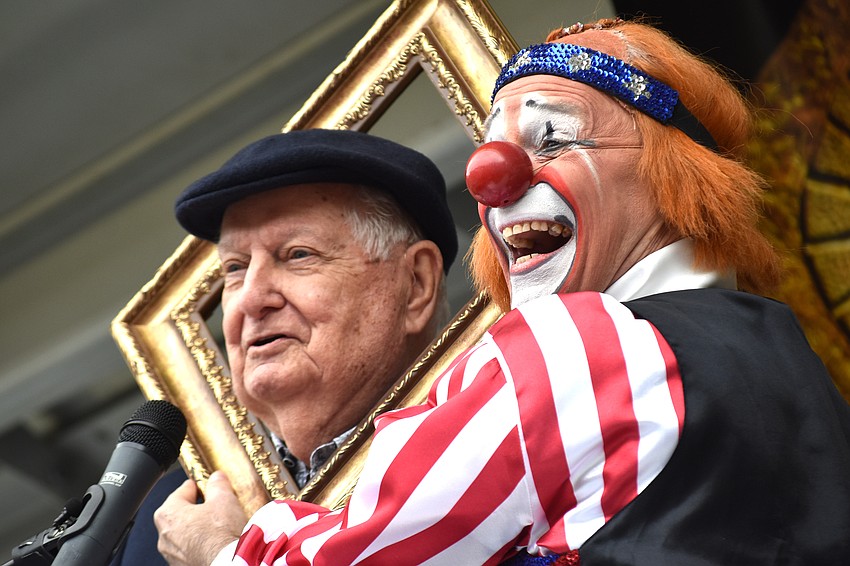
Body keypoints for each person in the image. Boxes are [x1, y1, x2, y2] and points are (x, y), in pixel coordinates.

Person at [187, 18, 850, 565]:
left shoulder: (578, 345)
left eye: (552, 138)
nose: (489, 179)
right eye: (490, 148)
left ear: (668, 173)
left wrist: (219, 549)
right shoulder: (793, 360)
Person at [110, 128, 459, 565]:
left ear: (415, 284)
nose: (250, 299)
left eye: (298, 254)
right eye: (234, 269)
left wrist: (220, 556)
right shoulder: (167, 517)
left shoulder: (486, 452)